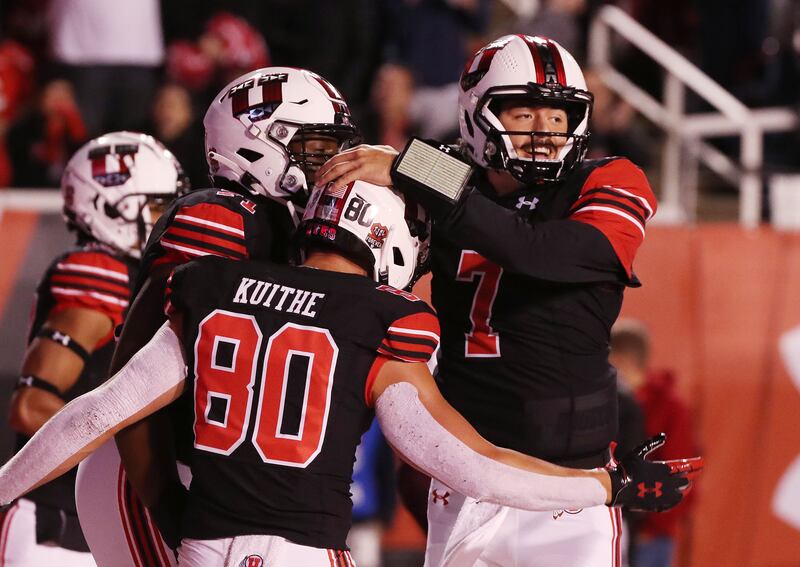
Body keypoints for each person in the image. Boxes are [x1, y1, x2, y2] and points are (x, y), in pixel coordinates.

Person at [0, 181, 700, 567]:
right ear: (388, 244)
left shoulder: (212, 288)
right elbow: (475, 465)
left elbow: (95, 414)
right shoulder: (382, 321)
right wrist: (608, 484)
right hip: (306, 552)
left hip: (204, 547)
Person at [318, 34, 663, 566]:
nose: (545, 133)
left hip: (568, 486)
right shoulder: (442, 173)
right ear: (477, 114)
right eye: (524, 113)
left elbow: (546, 252)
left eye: (558, 116)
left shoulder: (608, 178)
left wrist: (422, 171)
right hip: (466, 478)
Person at [73, 66, 362, 567]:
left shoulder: (298, 229)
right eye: (317, 150)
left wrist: (405, 165)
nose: (334, 166)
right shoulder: (222, 219)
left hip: (231, 484)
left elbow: (459, 200)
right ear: (257, 146)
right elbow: (130, 383)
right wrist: (169, 508)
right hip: (155, 467)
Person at [0, 131, 186, 566]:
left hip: (92, 523)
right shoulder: (97, 272)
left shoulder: (135, 275)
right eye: (158, 209)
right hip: (55, 529)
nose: (168, 223)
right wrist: (128, 439)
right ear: (109, 209)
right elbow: (30, 406)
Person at [609, 319, 699, 567]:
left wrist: (655, 525)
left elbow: (680, 471)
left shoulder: (670, 408)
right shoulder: (616, 403)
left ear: (621, 360)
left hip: (650, 534)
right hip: (623, 524)